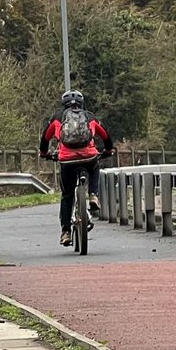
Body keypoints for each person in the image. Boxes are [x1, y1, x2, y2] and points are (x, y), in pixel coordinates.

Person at [39, 91, 113, 246]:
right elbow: (106, 136)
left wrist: (45, 153)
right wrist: (107, 150)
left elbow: (45, 139)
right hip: (88, 157)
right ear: (82, 103)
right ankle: (93, 195)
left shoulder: (57, 118)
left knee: (67, 195)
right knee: (94, 168)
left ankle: (66, 232)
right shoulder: (90, 117)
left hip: (66, 161)